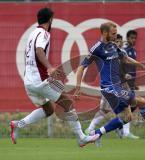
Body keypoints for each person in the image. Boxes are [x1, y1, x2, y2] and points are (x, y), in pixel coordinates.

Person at [10, 8, 98, 147]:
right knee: (67, 103)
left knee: (49, 110)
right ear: (50, 19)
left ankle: (17, 125)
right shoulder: (44, 33)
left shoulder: (33, 33)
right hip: (41, 80)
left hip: (29, 81)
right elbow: (39, 50)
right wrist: (50, 67)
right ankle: (81, 137)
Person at [74, 22, 145, 146]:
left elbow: (125, 58)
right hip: (110, 88)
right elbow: (81, 67)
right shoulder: (97, 48)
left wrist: (141, 66)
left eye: (116, 33)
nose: (115, 36)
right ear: (104, 33)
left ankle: (96, 133)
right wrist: (78, 87)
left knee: (127, 117)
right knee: (141, 102)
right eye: (113, 34)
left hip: (117, 87)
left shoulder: (113, 46)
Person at [85, 34, 139, 139]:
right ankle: (90, 129)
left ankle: (125, 132)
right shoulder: (108, 53)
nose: (118, 43)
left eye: (119, 41)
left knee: (127, 107)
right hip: (110, 86)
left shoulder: (121, 53)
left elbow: (124, 68)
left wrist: (129, 82)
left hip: (122, 85)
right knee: (104, 110)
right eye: (116, 41)